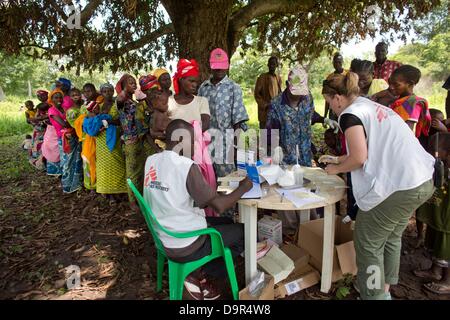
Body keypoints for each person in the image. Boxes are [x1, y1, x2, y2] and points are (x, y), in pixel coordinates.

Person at [320, 72, 435, 300]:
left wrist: (334, 170)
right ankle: (384, 288)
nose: (331, 108)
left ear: (338, 98)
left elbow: (360, 158)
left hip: (401, 186)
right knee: (391, 236)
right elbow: (368, 149)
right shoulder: (367, 105)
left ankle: (372, 294)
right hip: (423, 178)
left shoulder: (349, 115)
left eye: (328, 101)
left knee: (367, 241)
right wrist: (338, 159)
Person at [143, 119, 253, 300]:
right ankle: (203, 276)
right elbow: (218, 206)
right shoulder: (186, 166)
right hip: (185, 243)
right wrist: (244, 187)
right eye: (192, 141)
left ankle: (196, 273)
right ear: (180, 141)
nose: (195, 146)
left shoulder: (152, 160)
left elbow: (187, 196)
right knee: (245, 231)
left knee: (226, 223)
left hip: (163, 234)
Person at [266, 66, 318, 234]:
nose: (300, 94)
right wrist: (274, 149)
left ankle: (308, 230)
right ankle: (290, 232)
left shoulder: (307, 97)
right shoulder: (276, 104)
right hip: (286, 157)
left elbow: (311, 114)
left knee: (306, 194)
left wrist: (324, 120)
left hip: (304, 155)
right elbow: (270, 130)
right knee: (286, 196)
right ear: (288, 84)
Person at [198, 48, 249, 178]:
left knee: (227, 184)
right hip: (206, 145)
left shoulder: (233, 88)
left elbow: (238, 121)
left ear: (227, 66)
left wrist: (236, 148)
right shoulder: (203, 88)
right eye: (216, 67)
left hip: (226, 145)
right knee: (208, 182)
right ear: (210, 66)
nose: (219, 70)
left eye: (222, 67)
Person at [413, 133, 450, 295]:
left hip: (447, 220)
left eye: (435, 150)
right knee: (435, 242)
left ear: (448, 152)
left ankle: (447, 281)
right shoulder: (442, 164)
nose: (430, 153)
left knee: (446, 247)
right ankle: (435, 271)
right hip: (439, 216)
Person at [116, 74, 156, 211]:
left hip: (142, 139)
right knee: (132, 172)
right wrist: (123, 88)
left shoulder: (135, 103)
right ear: (123, 86)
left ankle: (141, 198)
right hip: (131, 141)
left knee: (142, 170)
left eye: (134, 83)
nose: (134, 85)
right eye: (130, 83)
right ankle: (132, 201)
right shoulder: (121, 101)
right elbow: (120, 97)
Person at [94, 83, 128, 203]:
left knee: (117, 161)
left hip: (114, 137)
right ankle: (108, 193)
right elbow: (92, 118)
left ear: (113, 92)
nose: (108, 93)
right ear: (101, 93)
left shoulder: (117, 104)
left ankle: (121, 190)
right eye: (105, 91)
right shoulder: (99, 106)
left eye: (110, 91)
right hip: (101, 139)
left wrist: (109, 122)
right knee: (103, 165)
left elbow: (122, 120)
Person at [48, 88, 82, 194]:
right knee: (67, 162)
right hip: (64, 139)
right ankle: (67, 186)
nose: (59, 99)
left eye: (60, 97)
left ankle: (75, 185)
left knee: (76, 160)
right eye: (56, 97)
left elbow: (69, 120)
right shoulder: (52, 110)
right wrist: (77, 122)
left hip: (72, 136)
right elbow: (64, 124)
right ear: (51, 99)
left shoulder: (64, 108)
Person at [389, 65, 432, 144]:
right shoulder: (395, 99)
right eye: (390, 83)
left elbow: (407, 133)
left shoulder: (413, 104)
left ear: (409, 84)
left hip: (400, 143)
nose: (391, 87)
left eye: (396, 84)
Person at [169, 59, 211, 131]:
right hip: (174, 142)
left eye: (196, 82)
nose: (195, 85)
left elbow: (205, 124)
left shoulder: (202, 101)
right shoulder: (169, 101)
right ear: (181, 79)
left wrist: (186, 135)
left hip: (196, 141)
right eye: (191, 81)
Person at [254, 56, 282, 129]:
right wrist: (265, 105)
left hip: (275, 112)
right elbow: (257, 94)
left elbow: (279, 94)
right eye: (270, 64)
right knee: (265, 136)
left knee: (273, 136)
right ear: (268, 65)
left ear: (276, 65)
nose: (272, 66)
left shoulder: (278, 78)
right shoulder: (262, 77)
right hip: (265, 112)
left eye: (274, 64)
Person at [324, 53, 348, 120]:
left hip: (345, 109)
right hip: (333, 110)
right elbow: (327, 98)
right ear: (333, 63)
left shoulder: (348, 75)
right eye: (335, 62)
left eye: (339, 62)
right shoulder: (329, 77)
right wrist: (325, 115)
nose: (337, 64)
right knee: (333, 129)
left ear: (342, 62)